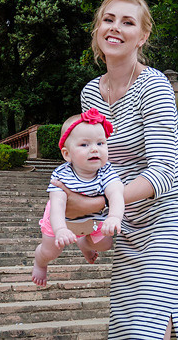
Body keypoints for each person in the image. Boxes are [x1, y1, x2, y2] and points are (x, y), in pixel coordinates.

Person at [58, 0, 178, 340]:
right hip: (127, 221)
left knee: (144, 322)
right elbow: (95, 166)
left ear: (143, 36)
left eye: (128, 22)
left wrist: (99, 205)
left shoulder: (154, 86)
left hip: (173, 216)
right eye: (108, 20)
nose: (115, 28)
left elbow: (164, 171)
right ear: (97, 29)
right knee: (130, 322)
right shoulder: (90, 93)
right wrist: (84, 225)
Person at [32, 109, 126, 286]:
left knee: (105, 243)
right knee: (51, 251)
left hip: (93, 217)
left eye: (100, 143)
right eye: (84, 145)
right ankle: (40, 262)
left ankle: (85, 242)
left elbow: (116, 193)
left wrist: (114, 216)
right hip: (61, 218)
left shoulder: (106, 172)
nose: (94, 149)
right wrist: (60, 229)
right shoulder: (62, 176)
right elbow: (57, 205)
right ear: (67, 154)